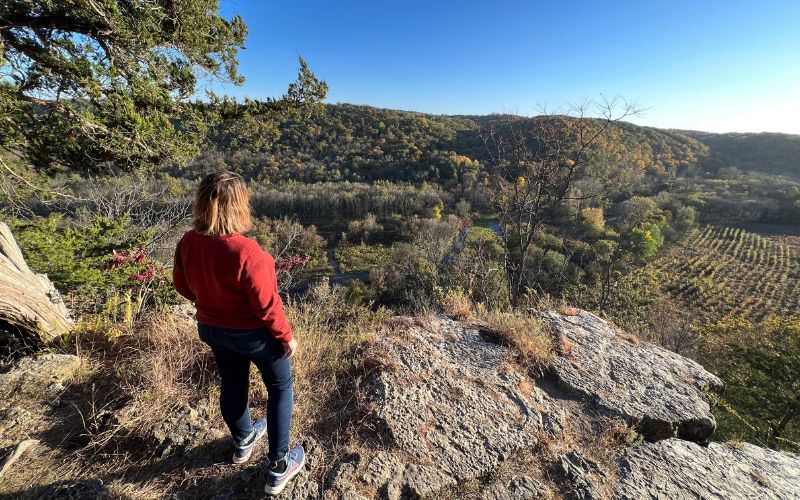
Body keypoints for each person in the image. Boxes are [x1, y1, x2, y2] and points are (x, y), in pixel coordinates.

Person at [172, 171, 304, 495]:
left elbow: (182, 285)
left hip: (212, 329)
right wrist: (286, 337)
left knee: (232, 381)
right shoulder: (247, 252)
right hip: (253, 336)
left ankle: (243, 439)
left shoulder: (188, 242)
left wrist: (210, 303)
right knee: (281, 387)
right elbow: (267, 307)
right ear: (238, 206)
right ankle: (279, 467)